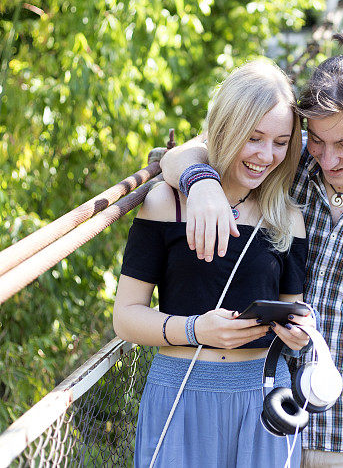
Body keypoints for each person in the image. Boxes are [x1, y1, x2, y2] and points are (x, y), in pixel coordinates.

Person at [160, 32, 343, 468]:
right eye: (316, 140)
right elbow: (182, 153)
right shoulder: (286, 164)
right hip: (263, 421)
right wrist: (200, 182)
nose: (327, 159)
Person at [113, 59, 315, 467]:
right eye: (253, 138)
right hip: (179, 394)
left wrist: (300, 336)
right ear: (225, 130)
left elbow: (296, 314)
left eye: (280, 142)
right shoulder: (165, 204)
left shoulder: (287, 216)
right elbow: (125, 317)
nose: (266, 155)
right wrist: (194, 329)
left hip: (263, 397)